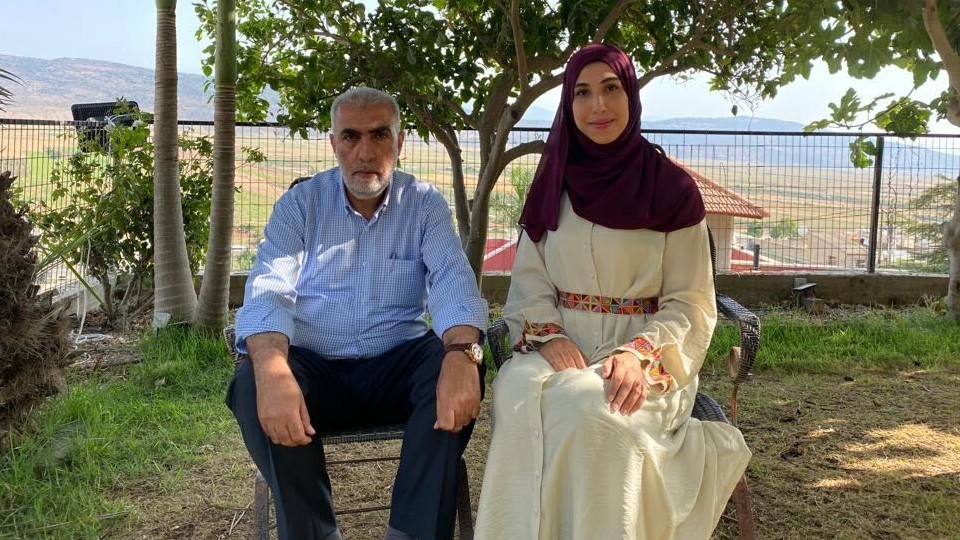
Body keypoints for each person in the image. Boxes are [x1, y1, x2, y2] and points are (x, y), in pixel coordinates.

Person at [474, 44, 751, 539]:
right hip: (560, 341)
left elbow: (690, 300)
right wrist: (548, 334)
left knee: (590, 411)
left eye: (610, 89)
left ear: (631, 96)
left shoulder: (672, 190)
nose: (597, 106)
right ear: (568, 104)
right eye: (582, 93)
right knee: (514, 391)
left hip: (645, 352)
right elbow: (531, 278)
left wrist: (639, 355)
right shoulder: (552, 182)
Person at [227, 87, 489, 540]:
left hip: (395, 367)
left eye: (379, 135)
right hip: (314, 373)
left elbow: (452, 283)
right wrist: (271, 368)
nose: (364, 152)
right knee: (255, 379)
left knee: (455, 366)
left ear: (399, 142)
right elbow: (268, 288)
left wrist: (464, 351)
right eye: (350, 136)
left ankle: (413, 533)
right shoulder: (300, 205)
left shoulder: (424, 205)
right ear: (333, 144)